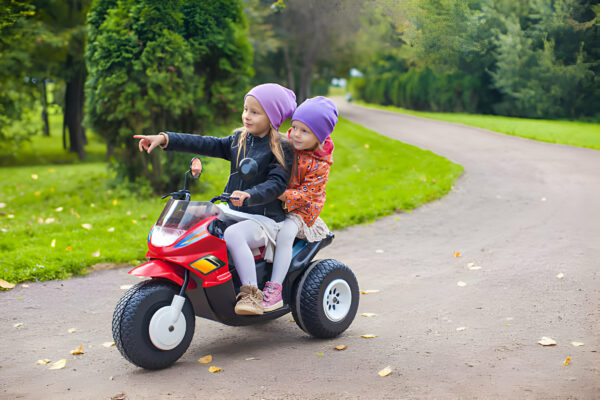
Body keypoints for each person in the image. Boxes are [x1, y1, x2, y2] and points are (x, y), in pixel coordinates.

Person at [134, 83, 296, 316]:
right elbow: (205, 143)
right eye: (245, 109)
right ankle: (204, 280)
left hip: (264, 219)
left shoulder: (281, 147)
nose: (246, 116)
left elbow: (277, 183)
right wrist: (164, 138)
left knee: (232, 235)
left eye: (254, 112)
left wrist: (251, 195)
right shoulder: (240, 138)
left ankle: (251, 294)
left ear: (272, 117)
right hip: (234, 210)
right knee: (198, 225)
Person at [262, 97, 338, 312]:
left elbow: (305, 195)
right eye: (294, 127)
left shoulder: (320, 164)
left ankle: (275, 288)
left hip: (301, 210)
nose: (295, 134)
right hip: (278, 201)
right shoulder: (287, 144)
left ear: (319, 137)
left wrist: (277, 192)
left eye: (304, 131)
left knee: (285, 233)